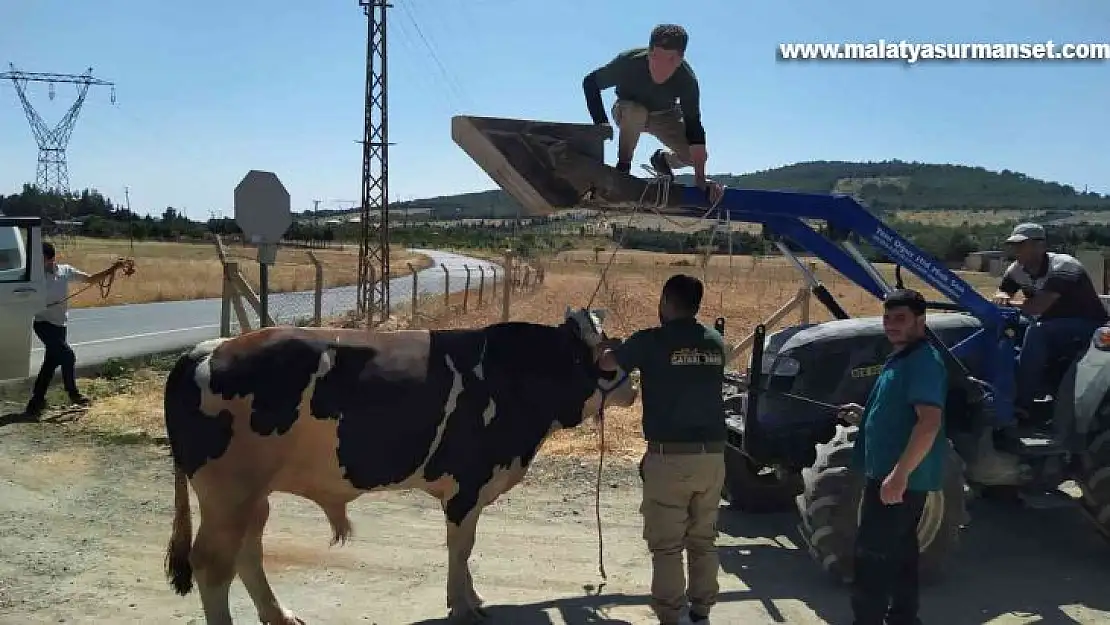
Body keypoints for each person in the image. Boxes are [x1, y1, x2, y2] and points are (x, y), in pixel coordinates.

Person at [598, 274, 726, 625]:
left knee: (668, 545)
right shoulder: (714, 342)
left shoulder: (651, 341)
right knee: (703, 539)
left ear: (667, 301)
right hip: (713, 457)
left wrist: (607, 348)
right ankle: (701, 612)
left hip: (670, 457)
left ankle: (672, 617)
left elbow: (608, 364)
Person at [837, 288, 947, 625]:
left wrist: (899, 475)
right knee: (901, 555)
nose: (891, 325)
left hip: (898, 479)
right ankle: (904, 619)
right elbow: (901, 410)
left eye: (900, 319)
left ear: (921, 321)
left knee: (871, 558)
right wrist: (866, 413)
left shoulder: (924, 361)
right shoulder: (902, 358)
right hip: (892, 476)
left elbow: (929, 422)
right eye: (887, 318)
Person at [582, 24, 724, 203]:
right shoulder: (629, 62)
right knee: (636, 112)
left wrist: (701, 179)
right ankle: (623, 168)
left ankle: (662, 159)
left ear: (680, 60)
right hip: (628, 110)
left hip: (664, 115)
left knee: (695, 157)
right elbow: (590, 83)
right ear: (649, 52)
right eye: (656, 57)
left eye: (670, 60)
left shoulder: (687, 80)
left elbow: (694, 126)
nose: (661, 67)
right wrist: (601, 123)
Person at [991, 222, 1109, 413]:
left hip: (1087, 325)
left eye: (1022, 245)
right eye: (1014, 245)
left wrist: (1008, 303)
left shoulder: (1064, 266)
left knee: (1038, 332)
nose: (1016, 250)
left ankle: (1021, 402)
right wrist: (1002, 296)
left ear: (1041, 246)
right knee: (1004, 327)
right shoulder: (1017, 269)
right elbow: (1003, 292)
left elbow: (1037, 307)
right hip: (1050, 322)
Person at [24, 242, 128, 419]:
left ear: (50, 258)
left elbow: (90, 279)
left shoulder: (64, 271)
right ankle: (73, 393)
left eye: (39, 257)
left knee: (50, 363)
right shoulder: (33, 276)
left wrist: (113, 269)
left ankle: (36, 402)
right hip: (43, 324)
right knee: (68, 356)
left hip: (59, 325)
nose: (34, 261)